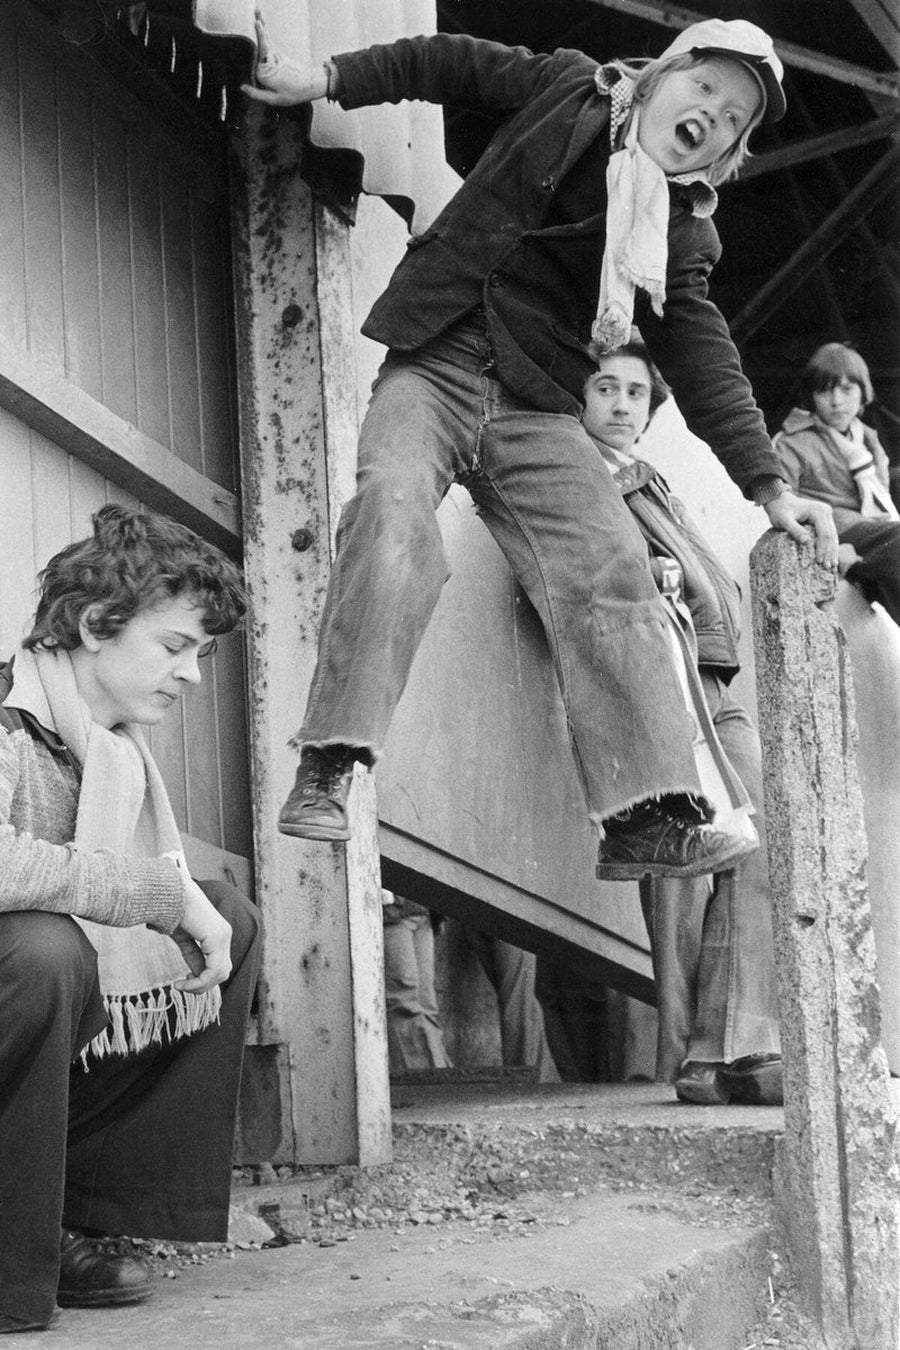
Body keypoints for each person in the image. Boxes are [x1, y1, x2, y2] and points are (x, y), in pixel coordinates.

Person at [243, 15, 837, 879]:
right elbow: (443, 60)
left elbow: (703, 352)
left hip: (539, 405)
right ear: (665, 73)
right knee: (393, 508)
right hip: (439, 356)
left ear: (725, 153)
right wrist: (326, 77)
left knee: (610, 565)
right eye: (706, 85)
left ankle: (643, 815)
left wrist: (772, 487)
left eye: (735, 115)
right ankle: (330, 763)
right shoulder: (567, 84)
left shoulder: (683, 233)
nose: (712, 110)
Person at [0, 505, 261, 1333]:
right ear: (95, 624)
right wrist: (156, 892)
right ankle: (11, 1261)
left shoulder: (112, 750)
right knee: (41, 952)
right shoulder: (7, 712)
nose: (191, 675)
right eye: (175, 647)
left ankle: (82, 1214)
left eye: (202, 655)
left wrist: (176, 898)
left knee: (227, 920)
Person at [580, 338, 782, 1104]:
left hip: (714, 677)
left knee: (759, 844)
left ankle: (735, 1041)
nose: (623, 404)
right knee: (682, 867)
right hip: (656, 676)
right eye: (606, 388)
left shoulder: (650, 480)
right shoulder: (578, 477)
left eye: (636, 392)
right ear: (581, 398)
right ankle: (696, 1058)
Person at [774, 342, 900, 629]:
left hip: (873, 532)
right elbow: (781, 505)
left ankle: (864, 570)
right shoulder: (794, 441)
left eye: (847, 389)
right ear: (811, 395)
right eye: (825, 390)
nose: (836, 401)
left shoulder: (867, 439)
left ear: (863, 391)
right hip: (835, 530)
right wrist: (836, 545)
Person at [382, 890, 452, 1074]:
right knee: (403, 1002)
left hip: (422, 908)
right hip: (391, 909)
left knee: (426, 1005)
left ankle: (438, 1076)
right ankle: (424, 1080)